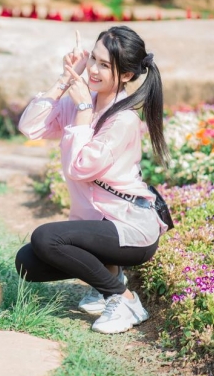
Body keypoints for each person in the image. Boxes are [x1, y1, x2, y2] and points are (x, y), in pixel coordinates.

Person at [15, 26, 169, 334]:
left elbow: (80, 167)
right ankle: (108, 282)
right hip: (102, 224)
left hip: (132, 228)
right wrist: (65, 80)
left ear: (126, 75)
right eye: (92, 60)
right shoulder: (81, 101)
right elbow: (29, 127)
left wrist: (84, 109)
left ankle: (124, 299)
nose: (94, 71)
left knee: (46, 237)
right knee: (27, 262)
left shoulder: (123, 120)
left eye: (104, 65)